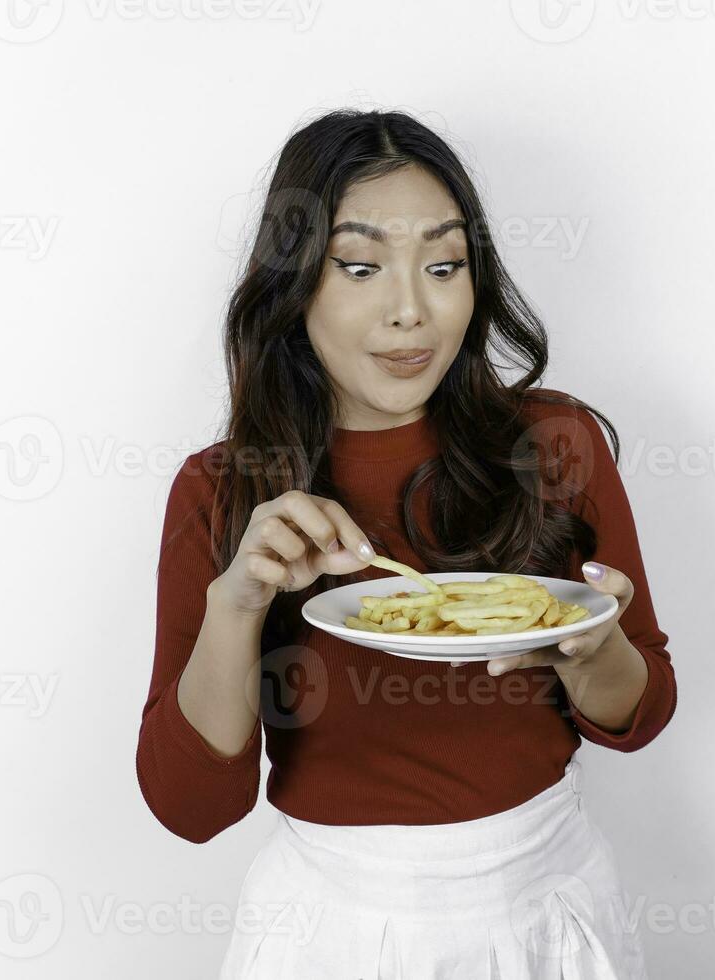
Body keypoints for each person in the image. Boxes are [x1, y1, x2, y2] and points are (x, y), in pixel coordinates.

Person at [136, 108, 677, 978]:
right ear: (297, 283)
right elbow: (192, 807)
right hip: (331, 932)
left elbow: (639, 712)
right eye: (360, 268)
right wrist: (235, 606)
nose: (411, 312)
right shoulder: (224, 490)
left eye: (444, 265)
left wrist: (588, 645)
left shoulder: (555, 445)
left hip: (549, 906)